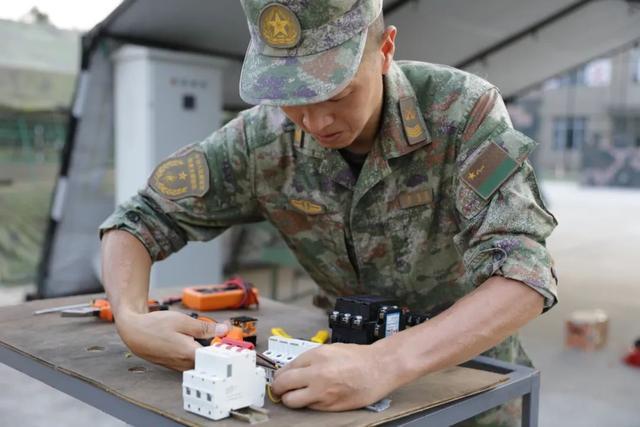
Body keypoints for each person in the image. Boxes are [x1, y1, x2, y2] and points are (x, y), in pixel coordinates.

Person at [99, 0, 558, 424]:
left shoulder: (460, 111)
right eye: (293, 98)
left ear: (385, 49)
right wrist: (132, 319)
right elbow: (138, 220)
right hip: (335, 386)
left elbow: (524, 277)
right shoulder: (262, 139)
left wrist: (386, 362)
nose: (316, 122)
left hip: (468, 380)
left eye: (337, 93)